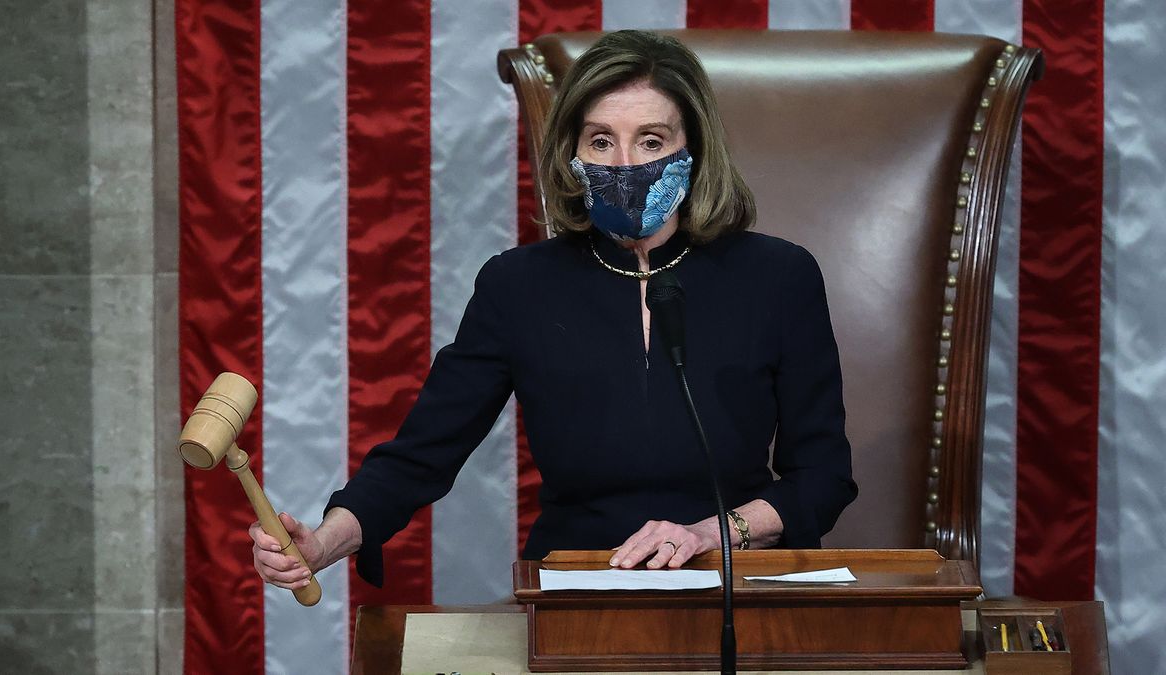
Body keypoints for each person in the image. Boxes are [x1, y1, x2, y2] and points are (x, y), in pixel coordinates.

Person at [251, 30, 857, 592]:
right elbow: (422, 455)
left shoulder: (778, 276)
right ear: (572, 153)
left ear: (693, 149)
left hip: (736, 579)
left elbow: (822, 476)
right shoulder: (518, 286)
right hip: (578, 582)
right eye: (601, 140)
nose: (624, 164)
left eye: (651, 140)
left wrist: (707, 534)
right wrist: (326, 541)